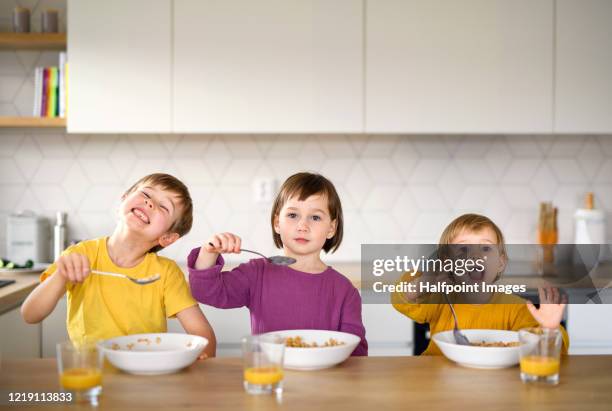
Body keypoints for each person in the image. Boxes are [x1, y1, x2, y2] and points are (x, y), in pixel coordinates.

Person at [21, 173, 216, 357]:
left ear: (166, 238)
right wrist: (61, 275)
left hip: (146, 376)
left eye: (163, 207)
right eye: (146, 194)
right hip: (92, 373)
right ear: (123, 199)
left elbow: (202, 333)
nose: (150, 203)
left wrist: (200, 359)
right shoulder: (79, 255)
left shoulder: (166, 273)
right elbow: (30, 315)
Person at [188, 172, 367, 355]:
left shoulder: (345, 291)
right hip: (270, 378)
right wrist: (208, 252)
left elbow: (356, 353)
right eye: (292, 215)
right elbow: (205, 291)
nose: (302, 226)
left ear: (331, 228)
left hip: (326, 381)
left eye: (315, 217)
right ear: (276, 222)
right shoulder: (257, 273)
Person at [392, 213, 568, 355]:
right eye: (463, 249)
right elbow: (401, 300)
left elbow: (545, 352)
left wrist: (549, 328)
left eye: (486, 248)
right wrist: (423, 283)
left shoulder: (516, 308)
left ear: (500, 262)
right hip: (438, 381)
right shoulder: (438, 299)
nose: (475, 256)